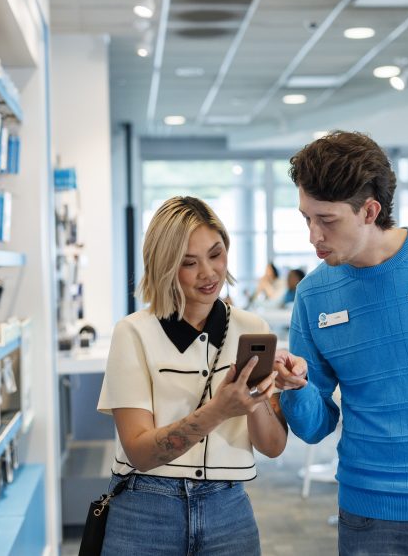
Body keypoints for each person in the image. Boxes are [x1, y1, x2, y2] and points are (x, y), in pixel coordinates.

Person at [276, 131, 408, 555]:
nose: (313, 235)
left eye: (326, 220)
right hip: (370, 516)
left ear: (369, 210)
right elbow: (315, 426)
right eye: (306, 218)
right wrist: (295, 390)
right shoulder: (313, 296)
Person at [97, 196, 304, 556]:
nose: (209, 273)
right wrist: (220, 409)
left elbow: (272, 447)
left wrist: (254, 399)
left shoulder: (251, 328)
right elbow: (141, 453)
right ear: (163, 266)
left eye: (216, 253)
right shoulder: (133, 333)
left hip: (228, 509)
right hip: (145, 509)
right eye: (189, 263)